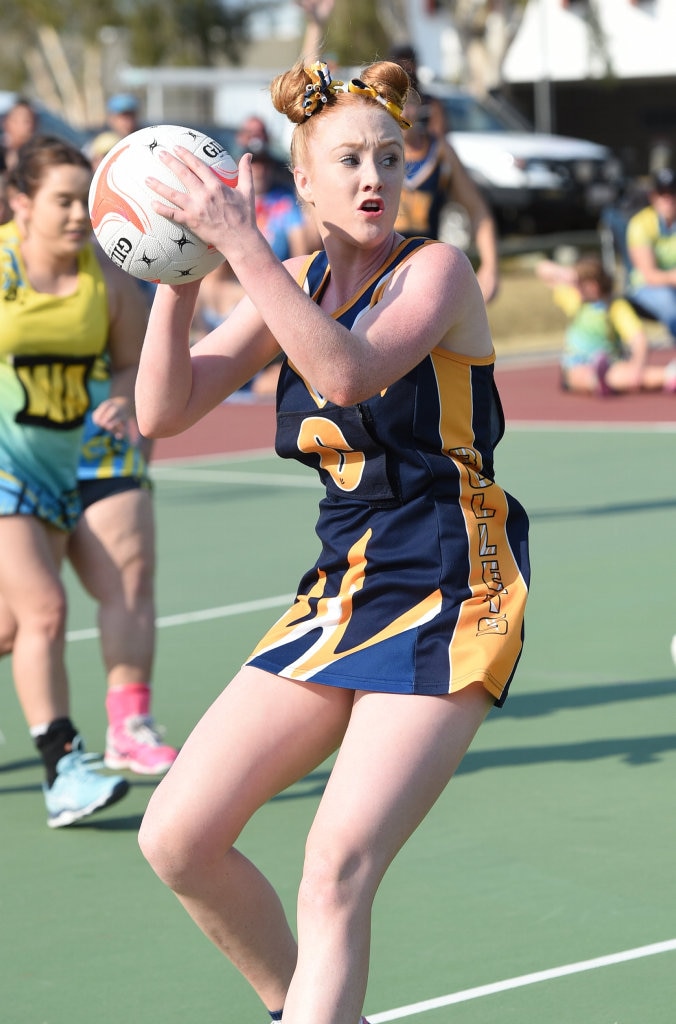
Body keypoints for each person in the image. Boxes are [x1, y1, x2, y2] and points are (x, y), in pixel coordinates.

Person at [135, 58, 530, 1024]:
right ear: (303, 184)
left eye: (389, 158)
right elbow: (164, 408)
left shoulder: (435, 270)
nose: (374, 179)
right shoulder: (299, 279)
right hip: (344, 588)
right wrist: (177, 271)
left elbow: (346, 373)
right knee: (179, 837)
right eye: (348, 160)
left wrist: (240, 243)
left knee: (335, 868)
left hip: (452, 586)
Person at [0, 135, 148, 826]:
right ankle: (65, 770)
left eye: (81, 202)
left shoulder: (106, 277)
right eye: (59, 201)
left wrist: (122, 395)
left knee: (11, 627)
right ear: (21, 203)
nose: (73, 216)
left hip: (64, 467)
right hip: (6, 466)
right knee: (46, 612)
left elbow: (133, 363)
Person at [396, 90, 499, 304]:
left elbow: (478, 210)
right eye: (395, 102)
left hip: (426, 272)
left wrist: (490, 267)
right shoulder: (368, 150)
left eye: (408, 102)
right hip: (376, 273)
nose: (403, 110)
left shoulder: (440, 152)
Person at [537, 255, 676, 395]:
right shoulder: (574, 300)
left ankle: (669, 375)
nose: (574, 287)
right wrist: (572, 274)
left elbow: (638, 338)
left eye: (578, 283)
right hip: (579, 363)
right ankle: (597, 380)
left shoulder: (615, 307)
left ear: (592, 285)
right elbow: (543, 269)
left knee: (624, 373)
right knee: (578, 375)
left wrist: (637, 367)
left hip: (611, 362)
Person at [626, 167, 676, 339]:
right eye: (663, 193)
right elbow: (649, 275)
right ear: (653, 196)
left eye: (673, 192)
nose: (668, 198)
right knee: (670, 306)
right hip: (647, 288)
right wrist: (672, 278)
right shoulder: (640, 224)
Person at [0, 97, 38, 173]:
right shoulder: (2, 152)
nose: (25, 127)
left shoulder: (38, 152)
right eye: (16, 121)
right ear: (6, 123)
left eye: (28, 121)